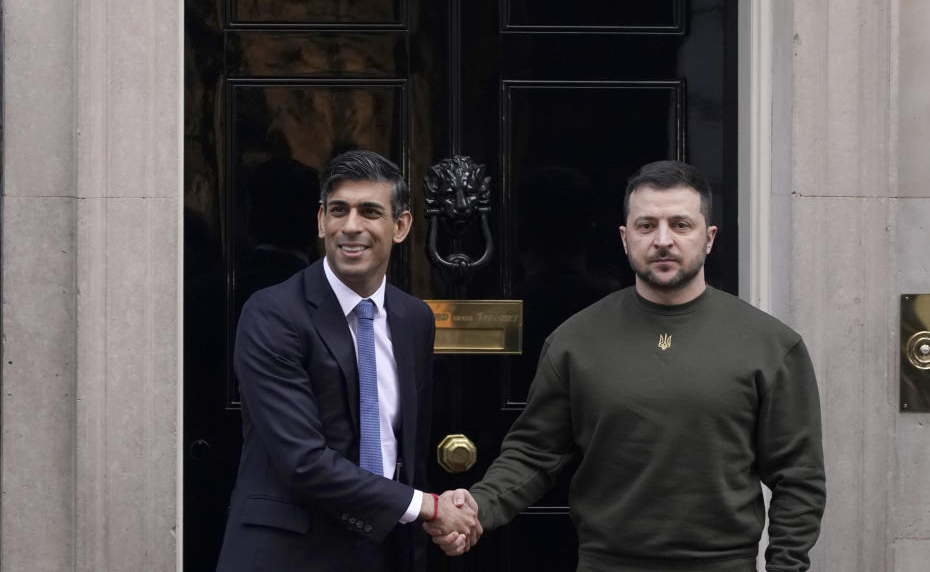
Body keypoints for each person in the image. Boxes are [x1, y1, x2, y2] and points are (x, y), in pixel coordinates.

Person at [427, 160, 826, 572]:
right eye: (647, 225)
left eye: (681, 225)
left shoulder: (771, 345)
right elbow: (534, 452)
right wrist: (479, 507)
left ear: (709, 238)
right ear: (624, 238)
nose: (663, 240)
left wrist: (786, 566)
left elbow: (798, 477)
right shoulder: (575, 340)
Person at [217, 150, 479, 572]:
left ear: (401, 226)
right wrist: (428, 507)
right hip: (290, 554)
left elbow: (403, 452)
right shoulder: (272, 313)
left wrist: (438, 515)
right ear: (321, 222)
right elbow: (303, 461)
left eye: (370, 211)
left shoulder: (415, 318)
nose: (351, 226)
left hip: (388, 549)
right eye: (339, 211)